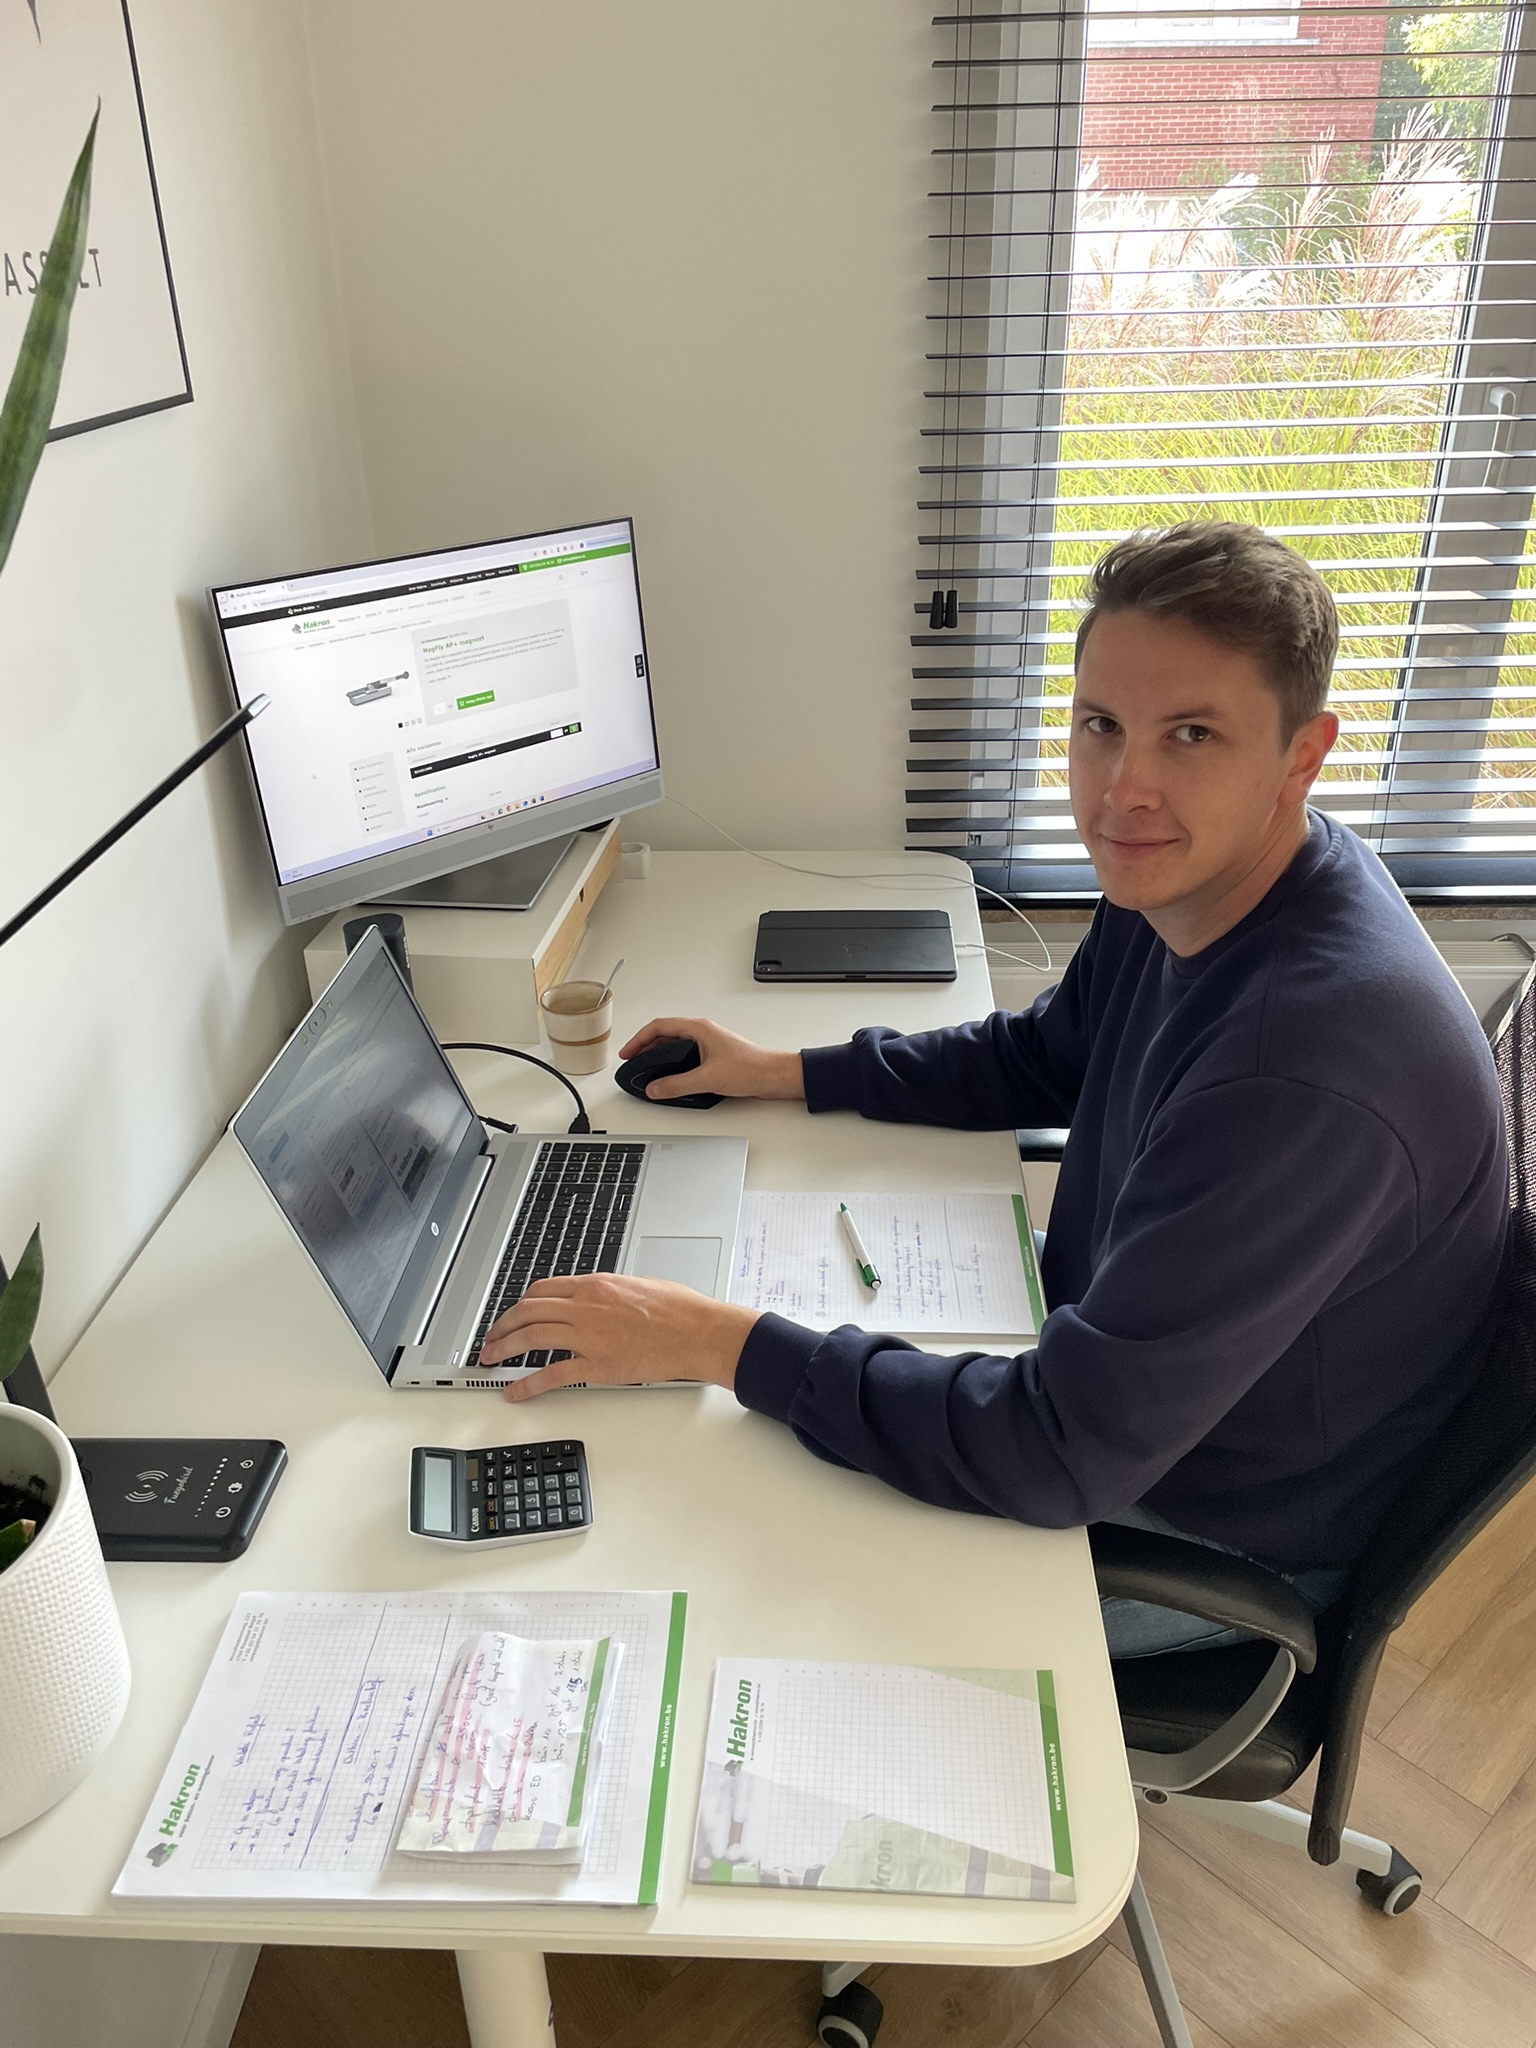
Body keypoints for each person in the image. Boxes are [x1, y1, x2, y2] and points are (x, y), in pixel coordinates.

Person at [482, 522, 1509, 1655]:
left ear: (1300, 756)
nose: (1125, 789)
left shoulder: (1304, 1071)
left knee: (730, 1570)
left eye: (1193, 735)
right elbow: (1045, 1056)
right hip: (1119, 1373)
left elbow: (1054, 1452)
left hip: (1209, 1525)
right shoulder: (1200, 875)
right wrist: (783, 1072)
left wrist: (720, 1346)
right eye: (1101, 725)